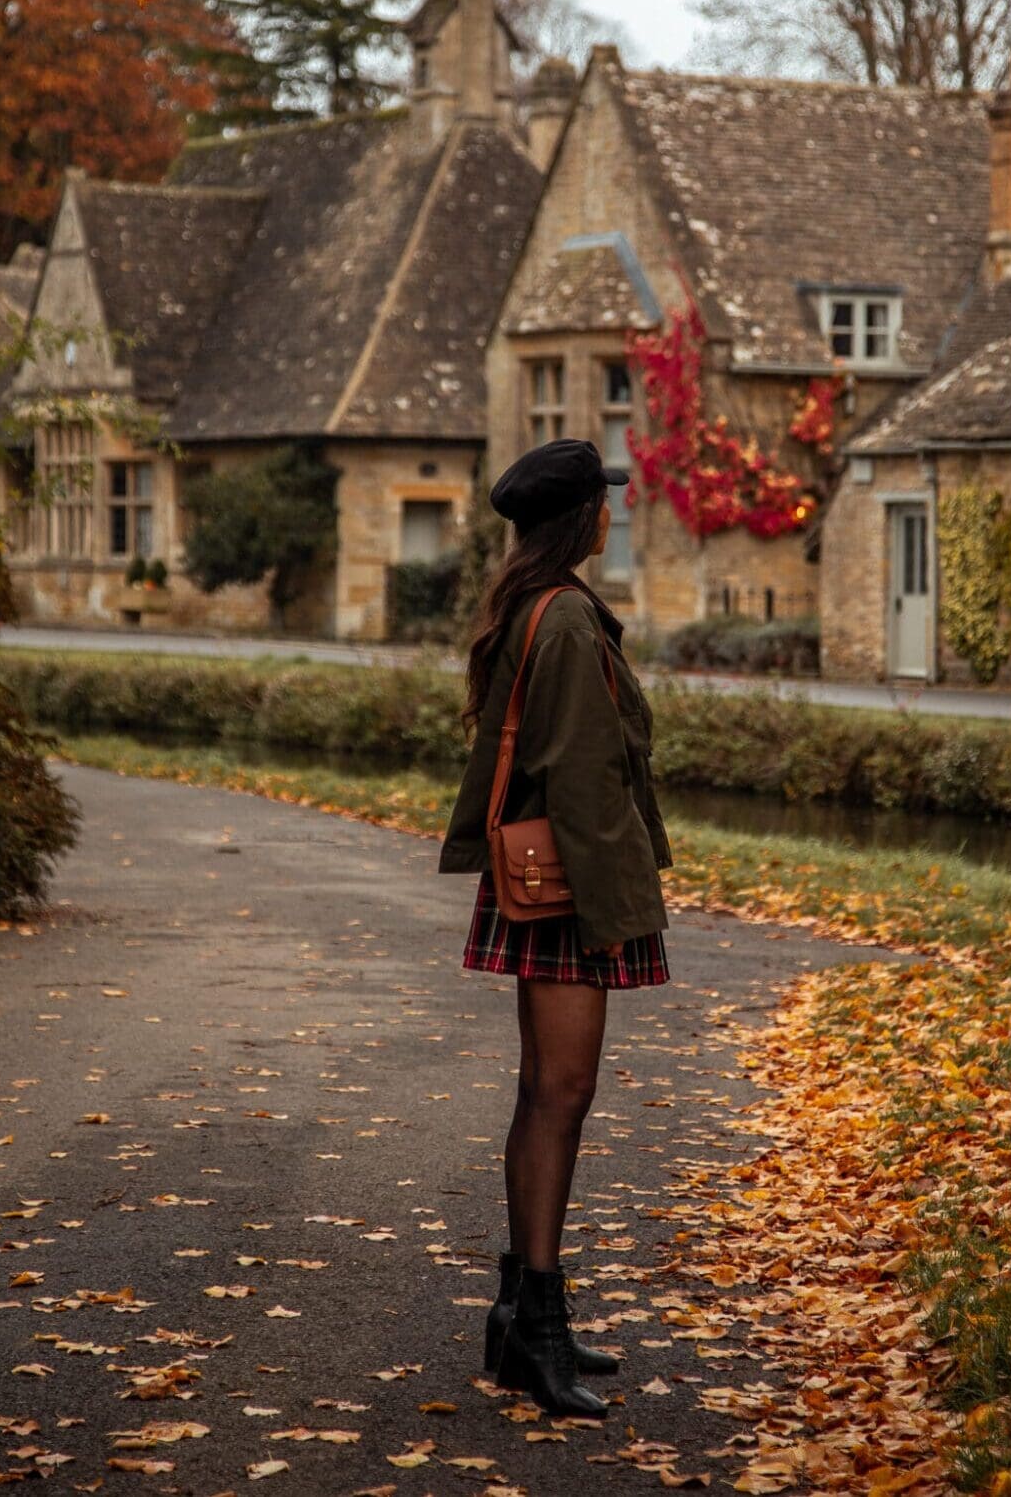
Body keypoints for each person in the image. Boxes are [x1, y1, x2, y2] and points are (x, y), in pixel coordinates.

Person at [440, 437, 672, 1420]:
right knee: (559, 1093)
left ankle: (523, 1310)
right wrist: (613, 919)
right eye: (603, 503)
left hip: (548, 883)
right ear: (581, 517)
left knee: (545, 1093)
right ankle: (532, 1328)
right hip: (569, 890)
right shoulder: (567, 614)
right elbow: (580, 775)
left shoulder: (530, 602)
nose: (611, 514)